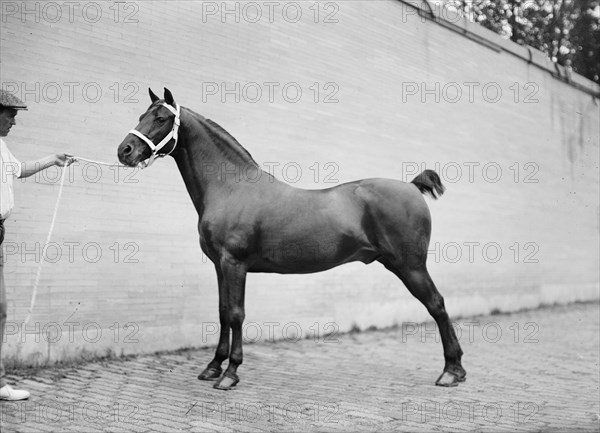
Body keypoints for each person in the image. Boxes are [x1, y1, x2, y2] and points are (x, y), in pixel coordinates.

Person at [0, 89, 72, 401]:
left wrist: (51, 160)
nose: (14, 121)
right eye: (10, 114)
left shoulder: (1, 146)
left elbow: (20, 170)